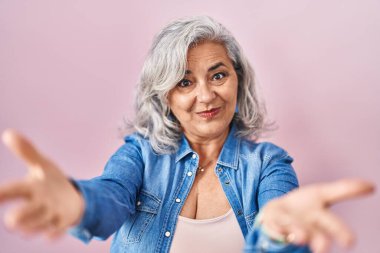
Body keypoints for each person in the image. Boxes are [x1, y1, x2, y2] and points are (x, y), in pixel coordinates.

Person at [0, 16, 374, 253]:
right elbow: (108, 196)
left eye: (218, 75)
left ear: (237, 80)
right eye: (184, 82)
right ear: (165, 97)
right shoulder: (139, 156)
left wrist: (279, 233)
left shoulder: (269, 164)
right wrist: (77, 204)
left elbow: (279, 215)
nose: (206, 96)